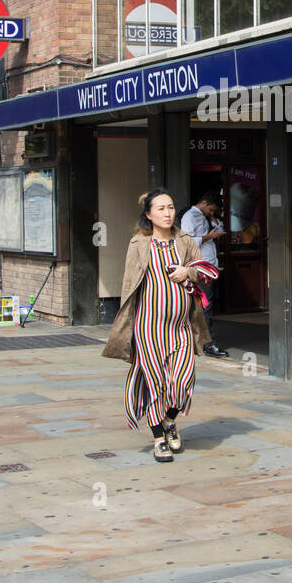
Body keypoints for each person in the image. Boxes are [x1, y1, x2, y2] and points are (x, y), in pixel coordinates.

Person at [102, 188, 211, 463]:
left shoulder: (185, 241)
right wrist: (127, 325)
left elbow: (205, 270)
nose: (167, 213)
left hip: (182, 327)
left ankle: (169, 420)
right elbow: (129, 285)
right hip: (148, 327)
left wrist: (189, 272)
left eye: (171, 207)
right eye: (161, 209)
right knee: (155, 384)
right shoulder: (139, 244)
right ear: (149, 214)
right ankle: (159, 438)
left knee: (183, 381)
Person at [180, 190, 229, 358]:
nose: (211, 213)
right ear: (205, 203)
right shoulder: (189, 217)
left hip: (210, 267)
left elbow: (219, 230)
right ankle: (208, 344)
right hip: (199, 267)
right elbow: (186, 241)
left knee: (204, 306)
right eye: (211, 210)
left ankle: (200, 342)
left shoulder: (206, 217)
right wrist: (208, 237)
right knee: (205, 307)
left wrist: (214, 220)